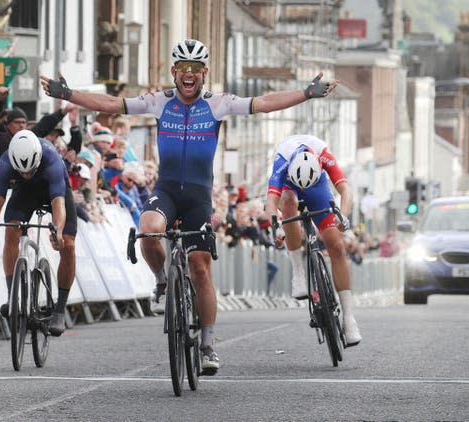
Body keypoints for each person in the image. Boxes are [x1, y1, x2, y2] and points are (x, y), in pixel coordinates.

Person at [40, 38, 338, 374]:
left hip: (198, 195)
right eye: (184, 68)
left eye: (196, 69)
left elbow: (265, 102)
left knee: (199, 267)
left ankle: (209, 345)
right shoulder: (157, 101)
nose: (189, 74)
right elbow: (110, 103)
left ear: (204, 73)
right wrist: (67, 94)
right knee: (148, 231)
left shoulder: (219, 104)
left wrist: (306, 93)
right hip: (166, 190)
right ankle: (161, 282)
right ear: (174, 71)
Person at [264, 133, 361, 346]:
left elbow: (345, 191)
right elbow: (271, 203)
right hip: (290, 188)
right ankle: (298, 271)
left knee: (336, 246)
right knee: (288, 202)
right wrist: (276, 227)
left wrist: (342, 216)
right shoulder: (282, 161)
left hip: (317, 188)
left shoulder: (324, 155)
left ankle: (348, 316)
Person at [0, 129, 78, 337]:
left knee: (68, 244)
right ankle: (12, 297)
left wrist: (57, 232)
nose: (26, 174)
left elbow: (58, 204)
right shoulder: (5, 163)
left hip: (55, 191)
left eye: (30, 170)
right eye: (21, 172)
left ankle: (59, 309)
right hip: (26, 192)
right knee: (11, 230)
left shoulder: (51, 160)